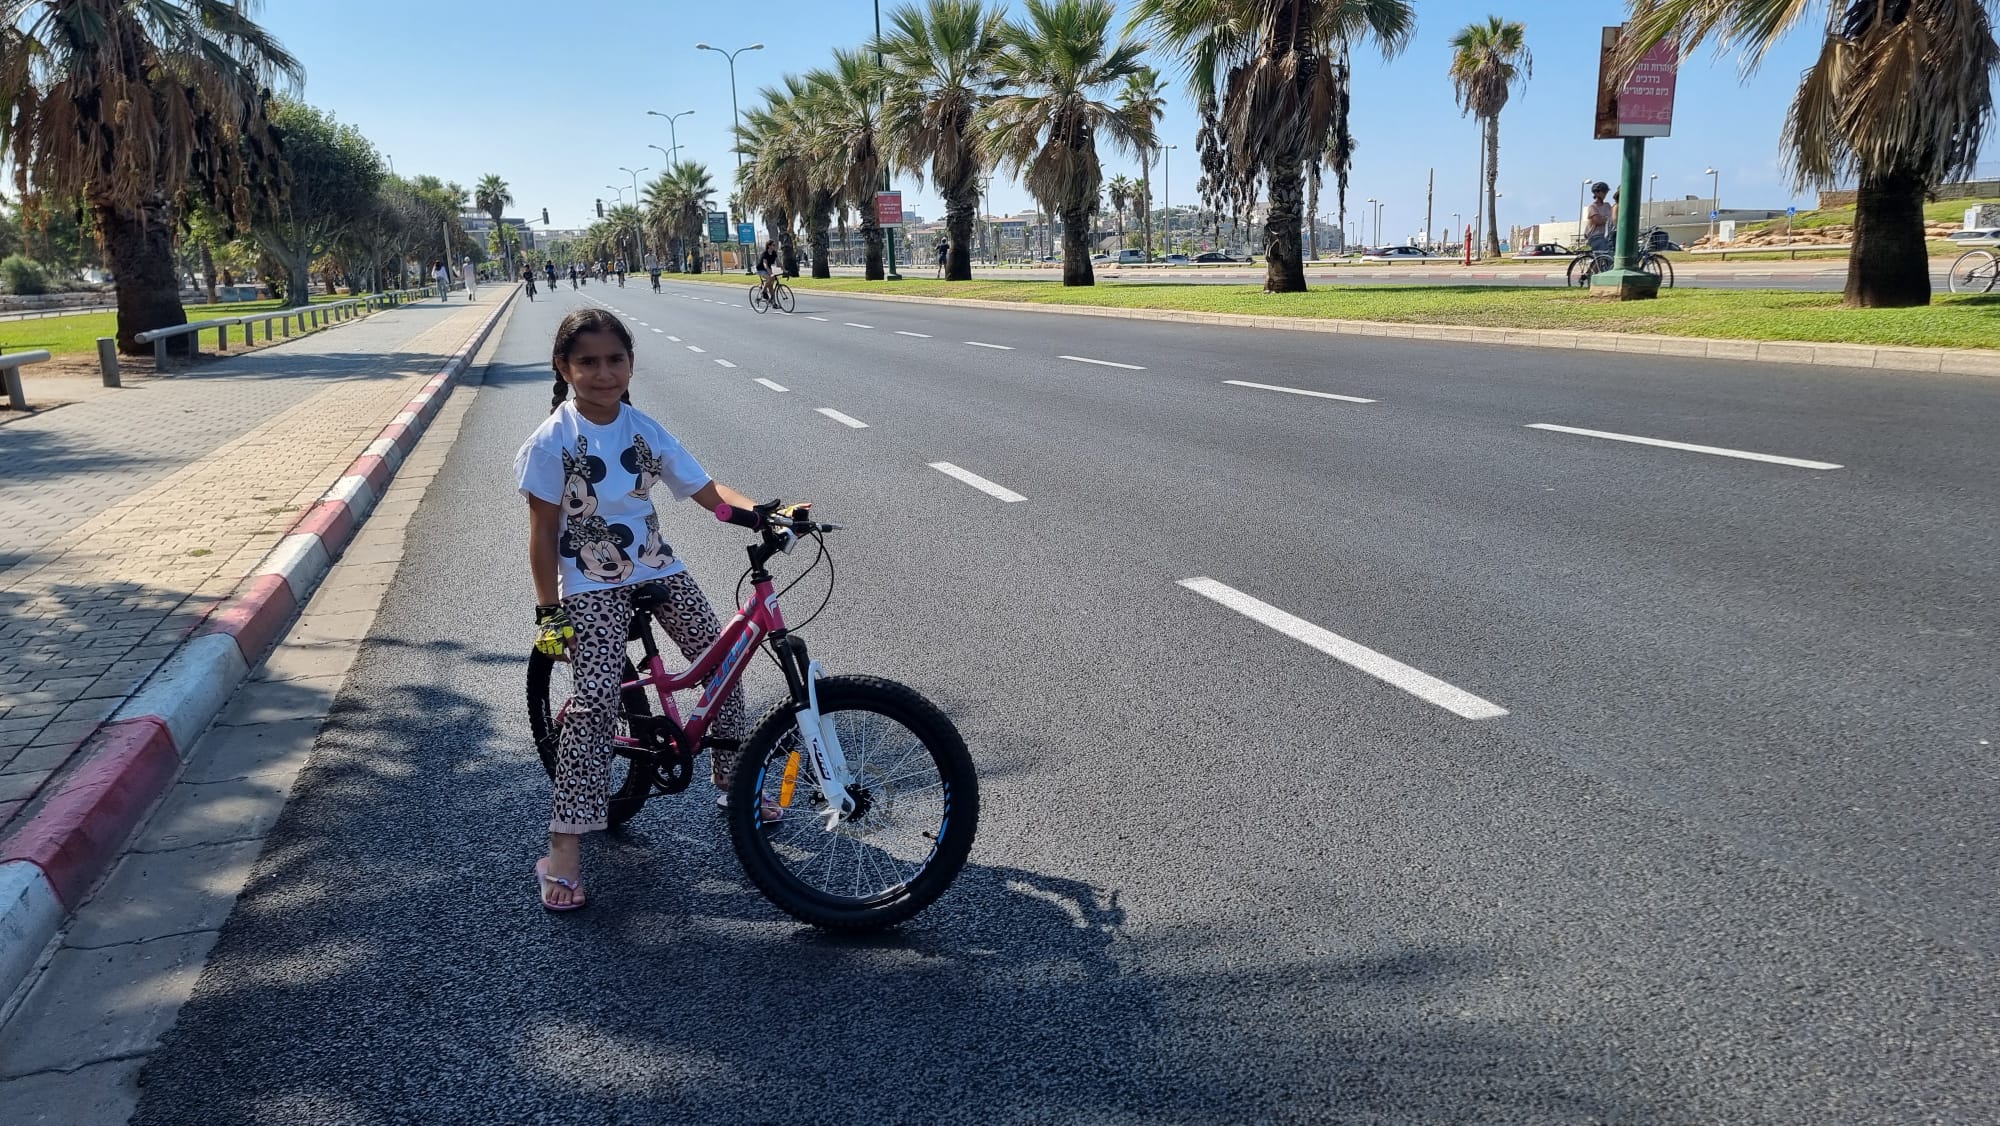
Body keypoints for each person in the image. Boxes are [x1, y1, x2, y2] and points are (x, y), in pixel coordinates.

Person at [516, 308, 793, 911]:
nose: (603, 372)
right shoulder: (551, 442)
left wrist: (761, 515)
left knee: (726, 658)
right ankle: (563, 846)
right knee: (594, 705)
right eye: (587, 361)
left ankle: (729, 776)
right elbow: (541, 535)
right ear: (564, 368)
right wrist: (548, 611)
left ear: (631, 364)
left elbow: (705, 493)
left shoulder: (644, 429)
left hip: (657, 565)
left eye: (615, 359)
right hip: (588, 584)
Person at [1583, 182, 1615, 256]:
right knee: (1605, 255)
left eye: (1606, 191)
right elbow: (1598, 220)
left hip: (1607, 235)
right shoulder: (1592, 207)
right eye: (1603, 191)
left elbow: (1613, 218)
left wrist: (1606, 219)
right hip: (1596, 236)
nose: (1605, 194)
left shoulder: (1607, 205)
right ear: (1596, 193)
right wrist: (1608, 219)